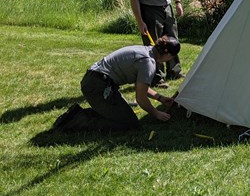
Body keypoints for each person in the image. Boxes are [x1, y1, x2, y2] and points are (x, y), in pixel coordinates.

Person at [52, 36, 180, 132]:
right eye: (172, 57)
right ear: (167, 54)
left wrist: (160, 98)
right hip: (98, 86)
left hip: (97, 81)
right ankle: (75, 120)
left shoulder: (146, 50)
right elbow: (140, 98)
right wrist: (156, 113)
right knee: (128, 123)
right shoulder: (148, 62)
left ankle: (86, 113)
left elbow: (140, 87)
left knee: (122, 114)